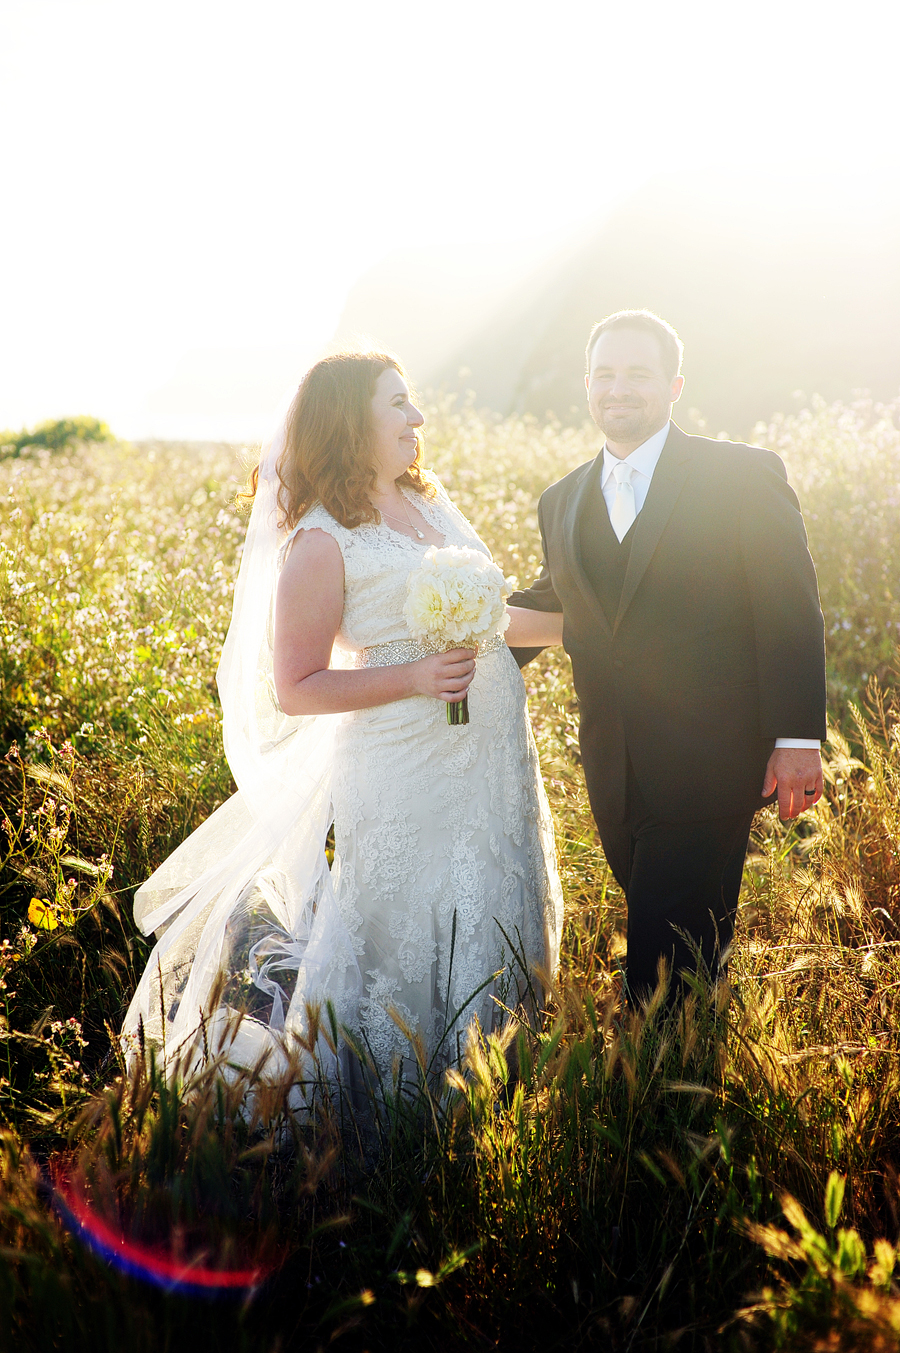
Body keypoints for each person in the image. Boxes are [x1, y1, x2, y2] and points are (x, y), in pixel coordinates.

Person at [122, 350, 563, 1101]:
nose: (417, 418)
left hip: (491, 769)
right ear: (350, 422)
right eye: (398, 404)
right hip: (405, 776)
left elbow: (491, 616)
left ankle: (491, 1094)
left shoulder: (430, 503)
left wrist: (587, 628)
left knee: (490, 905)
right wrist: (415, 677)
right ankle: (391, 1115)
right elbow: (295, 686)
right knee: (410, 932)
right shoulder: (322, 541)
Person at [508, 310, 827, 1004]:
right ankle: (677, 1069)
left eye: (637, 374)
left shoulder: (742, 476)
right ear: (587, 385)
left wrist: (797, 738)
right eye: (605, 374)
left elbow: (788, 609)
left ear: (674, 384)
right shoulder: (560, 499)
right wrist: (449, 643)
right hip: (615, 766)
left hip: (712, 760)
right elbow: (561, 601)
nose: (618, 388)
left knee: (663, 966)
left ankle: (659, 1096)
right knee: (676, 948)